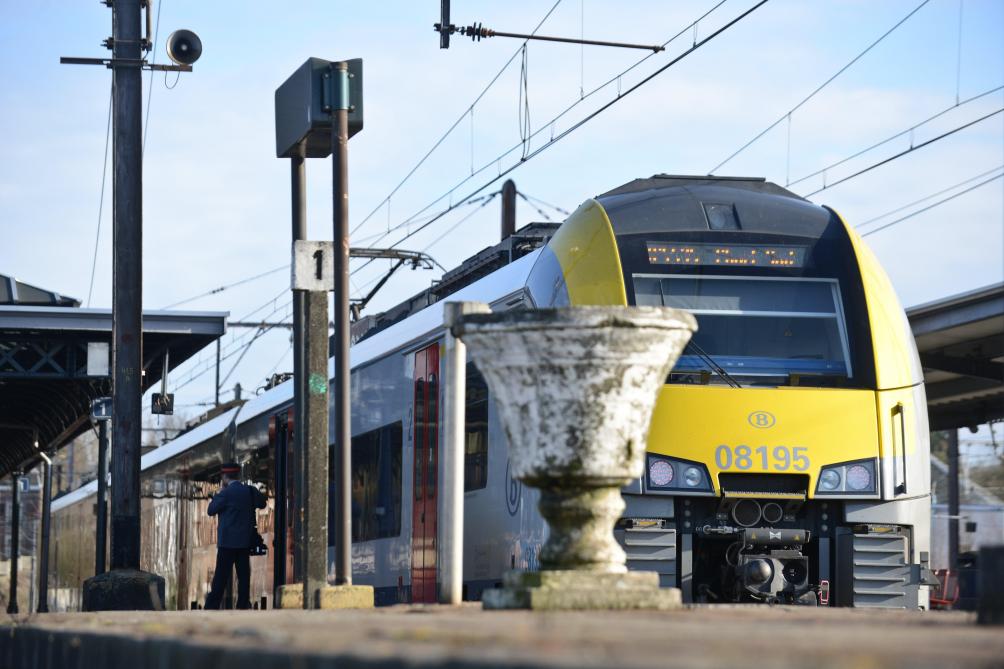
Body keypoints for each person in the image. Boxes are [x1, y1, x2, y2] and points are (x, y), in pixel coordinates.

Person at [204, 462, 267, 609]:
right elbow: (263, 504)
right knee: (244, 576)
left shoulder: (225, 494)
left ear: (225, 477)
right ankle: (243, 604)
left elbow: (210, 510)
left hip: (227, 544)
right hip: (245, 542)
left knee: (221, 578)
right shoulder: (250, 491)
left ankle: (212, 606)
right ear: (238, 475)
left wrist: (218, 495)